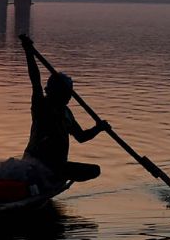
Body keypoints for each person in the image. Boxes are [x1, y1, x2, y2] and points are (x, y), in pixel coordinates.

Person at [18, 35, 106, 182]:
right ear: (53, 92)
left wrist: (99, 128)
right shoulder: (41, 105)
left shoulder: (66, 113)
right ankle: (54, 176)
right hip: (36, 163)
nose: (68, 97)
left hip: (57, 165)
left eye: (68, 94)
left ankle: (57, 174)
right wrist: (29, 53)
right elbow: (35, 80)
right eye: (65, 94)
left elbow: (81, 137)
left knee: (94, 170)